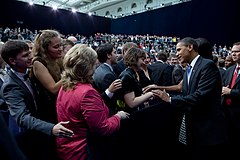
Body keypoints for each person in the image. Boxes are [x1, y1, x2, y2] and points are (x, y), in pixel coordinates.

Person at [152, 37, 228, 160]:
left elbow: (199, 96)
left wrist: (170, 99)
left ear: (190, 47)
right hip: (195, 129)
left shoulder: (207, 65)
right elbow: (185, 93)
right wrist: (162, 93)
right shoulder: (189, 68)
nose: (176, 54)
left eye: (178, 50)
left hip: (207, 130)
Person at [0, 40, 74, 160]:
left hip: (43, 131)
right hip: (30, 137)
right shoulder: (10, 86)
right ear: (12, 61)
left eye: (30, 53)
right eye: (25, 56)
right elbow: (22, 117)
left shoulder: (30, 73)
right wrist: (50, 128)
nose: (31, 57)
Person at [56, 44, 129, 160]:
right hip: (83, 151)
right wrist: (118, 117)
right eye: (94, 64)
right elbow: (103, 128)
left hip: (66, 147)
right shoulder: (87, 92)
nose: (96, 67)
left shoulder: (65, 86)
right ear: (87, 67)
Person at [30, 29, 63, 123]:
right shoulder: (38, 62)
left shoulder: (57, 58)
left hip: (58, 104)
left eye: (61, 45)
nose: (60, 49)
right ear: (45, 48)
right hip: (47, 110)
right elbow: (53, 89)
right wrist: (71, 73)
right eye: (56, 47)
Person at [221, 42, 240, 159]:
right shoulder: (229, 70)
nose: (233, 54)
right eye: (232, 51)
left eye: (237, 51)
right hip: (226, 114)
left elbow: (229, 90)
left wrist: (231, 92)